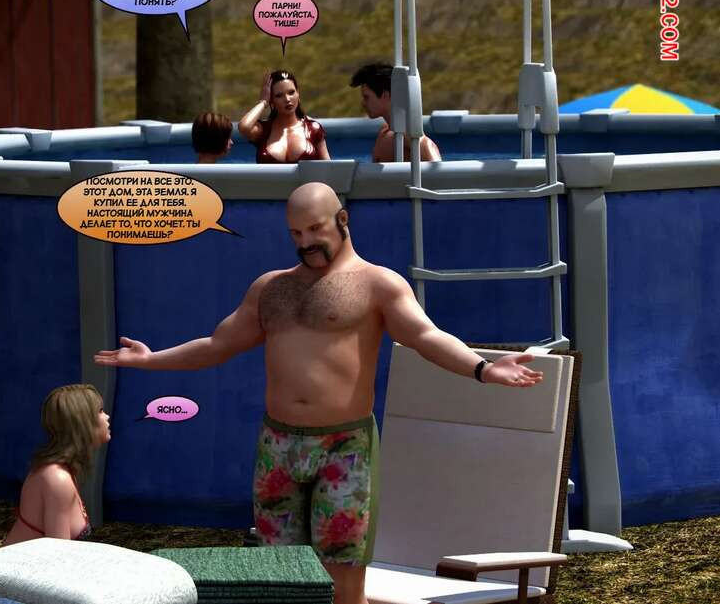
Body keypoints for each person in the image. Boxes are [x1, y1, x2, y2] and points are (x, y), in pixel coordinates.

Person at [94, 182, 542, 604]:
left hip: (344, 448)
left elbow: (426, 336)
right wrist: (150, 359)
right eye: (295, 233)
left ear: (342, 220)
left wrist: (483, 369)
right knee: (281, 576)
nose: (305, 241)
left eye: (314, 229)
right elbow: (217, 345)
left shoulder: (377, 284)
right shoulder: (271, 288)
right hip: (278, 445)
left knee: (343, 578)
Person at [3, 383, 111, 546]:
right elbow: (58, 555)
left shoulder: (63, 471)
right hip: (25, 562)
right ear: (82, 422)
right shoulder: (57, 479)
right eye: (100, 411)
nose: (107, 417)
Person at [349, 62, 442, 163]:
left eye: (366, 97)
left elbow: (437, 169)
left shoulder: (410, 137)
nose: (363, 103)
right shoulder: (384, 133)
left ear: (385, 95)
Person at [239, 70, 331, 163]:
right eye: (279, 95)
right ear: (271, 100)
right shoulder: (263, 130)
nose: (287, 99)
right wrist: (263, 102)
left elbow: (328, 168)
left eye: (291, 92)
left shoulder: (313, 128)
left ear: (298, 93)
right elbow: (244, 127)